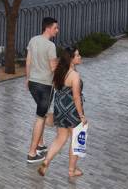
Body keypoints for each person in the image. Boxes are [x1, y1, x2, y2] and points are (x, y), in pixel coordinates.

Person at [38, 47, 86, 179]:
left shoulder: (59, 73)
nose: (80, 57)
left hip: (59, 110)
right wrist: (82, 116)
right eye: (77, 55)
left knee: (60, 138)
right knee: (75, 140)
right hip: (72, 112)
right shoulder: (74, 75)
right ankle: (72, 170)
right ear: (71, 59)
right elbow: (76, 97)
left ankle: (46, 161)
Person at [25, 17, 59, 163]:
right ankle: (32, 153)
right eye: (55, 28)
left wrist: (27, 79)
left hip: (33, 83)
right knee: (40, 116)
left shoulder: (33, 40)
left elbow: (28, 61)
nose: (57, 30)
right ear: (48, 28)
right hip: (45, 85)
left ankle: (40, 144)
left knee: (42, 113)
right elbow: (53, 68)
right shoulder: (51, 46)